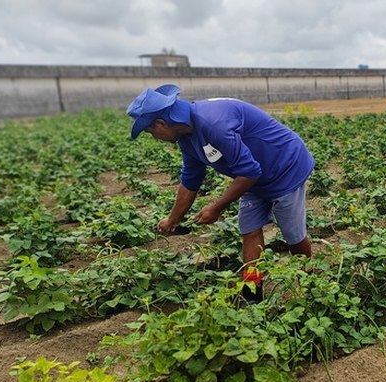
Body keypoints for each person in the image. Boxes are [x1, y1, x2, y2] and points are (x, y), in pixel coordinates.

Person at [127, 84, 315, 301]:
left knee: (292, 234)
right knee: (250, 229)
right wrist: (172, 220)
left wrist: (216, 207)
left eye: (151, 132)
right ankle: (253, 292)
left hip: (285, 167)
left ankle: (309, 283)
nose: (154, 137)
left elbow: (249, 171)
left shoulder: (213, 124)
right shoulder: (186, 137)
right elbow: (190, 179)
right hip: (251, 178)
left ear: (161, 123)